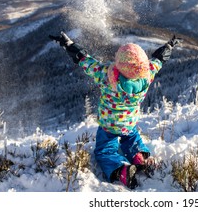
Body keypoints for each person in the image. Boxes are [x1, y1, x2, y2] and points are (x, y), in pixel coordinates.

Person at [49, 31, 182, 189]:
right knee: (131, 138)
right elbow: (159, 60)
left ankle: (121, 171)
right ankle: (139, 157)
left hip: (109, 125)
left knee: (104, 150)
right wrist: (169, 46)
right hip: (129, 123)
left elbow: (85, 61)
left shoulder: (106, 75)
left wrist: (68, 44)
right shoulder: (147, 75)